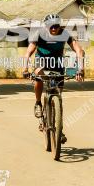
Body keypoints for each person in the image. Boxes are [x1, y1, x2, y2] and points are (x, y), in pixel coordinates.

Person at [22, 14, 85, 143]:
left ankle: (59, 129)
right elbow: (28, 52)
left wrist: (81, 69)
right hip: (42, 63)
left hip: (58, 65)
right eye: (51, 26)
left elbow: (79, 50)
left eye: (56, 25)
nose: (54, 28)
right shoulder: (39, 34)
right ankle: (38, 103)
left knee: (59, 98)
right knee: (39, 75)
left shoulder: (65, 34)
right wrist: (25, 69)